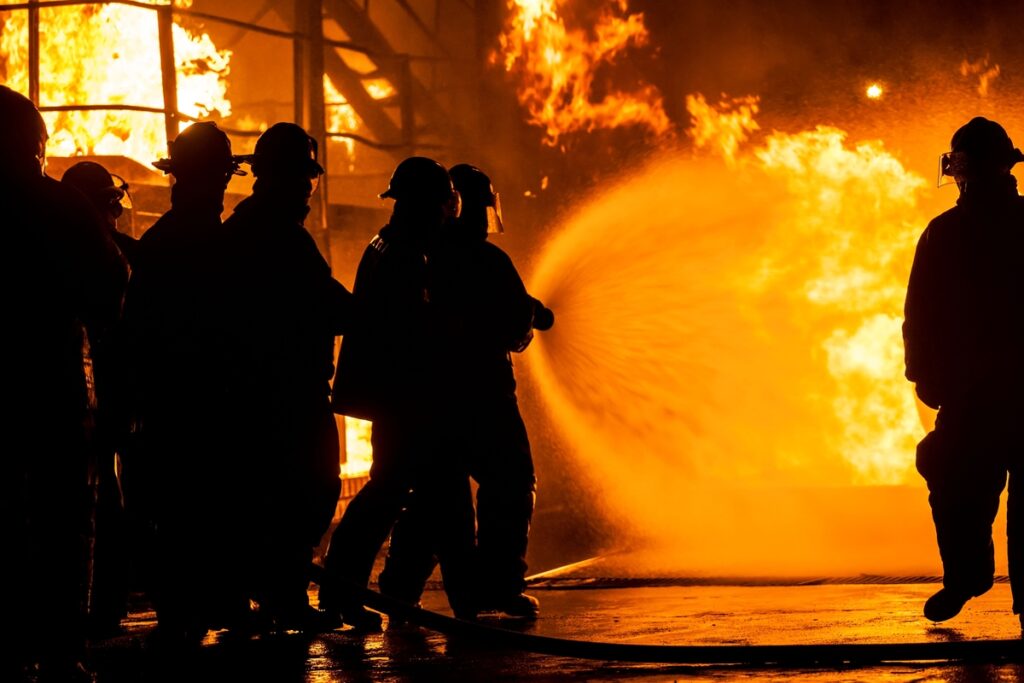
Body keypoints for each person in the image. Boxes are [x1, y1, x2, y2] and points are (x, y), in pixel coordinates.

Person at [378, 163, 553, 618]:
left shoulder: (421, 253)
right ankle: (498, 584)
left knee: (436, 497)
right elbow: (515, 329)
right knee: (511, 483)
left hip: (429, 400)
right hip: (486, 397)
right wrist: (530, 315)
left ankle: (399, 586)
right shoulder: (488, 259)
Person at [1, 86, 127, 681]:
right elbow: (108, 289)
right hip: (51, 390)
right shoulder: (61, 208)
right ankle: (59, 650)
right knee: (62, 519)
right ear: (36, 142)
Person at [318, 157, 476, 628]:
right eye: (443, 205)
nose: (448, 215)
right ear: (429, 205)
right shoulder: (406, 255)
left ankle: (363, 591)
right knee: (419, 493)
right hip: (409, 398)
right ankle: (462, 602)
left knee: (398, 492)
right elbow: (415, 330)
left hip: (399, 396)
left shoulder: (388, 245)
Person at [121, 121, 248, 644]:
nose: (219, 189)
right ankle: (191, 610)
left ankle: (201, 607)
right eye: (215, 178)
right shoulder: (198, 246)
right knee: (190, 510)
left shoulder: (168, 244)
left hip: (182, 405)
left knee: (191, 510)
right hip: (189, 406)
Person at [222, 122, 353, 631]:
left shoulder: (251, 226)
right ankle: (284, 595)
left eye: (309, 175)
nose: (307, 184)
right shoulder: (277, 234)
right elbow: (326, 303)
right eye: (300, 174)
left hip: (258, 390)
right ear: (275, 176)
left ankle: (268, 590)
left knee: (273, 494)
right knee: (310, 489)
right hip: (286, 393)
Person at [904, 116, 1024, 625]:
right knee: (953, 479)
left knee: (957, 484)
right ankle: (967, 578)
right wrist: (925, 374)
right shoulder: (944, 232)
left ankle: (971, 579)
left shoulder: (947, 233)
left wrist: (925, 376)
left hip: (988, 394)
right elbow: (922, 312)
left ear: (967, 170)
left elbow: (919, 312)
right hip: (971, 393)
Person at [61, 160, 138, 638]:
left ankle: (97, 605)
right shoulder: (116, 256)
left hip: (76, 402)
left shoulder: (45, 249)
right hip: (104, 401)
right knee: (105, 503)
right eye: (111, 206)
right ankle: (103, 606)